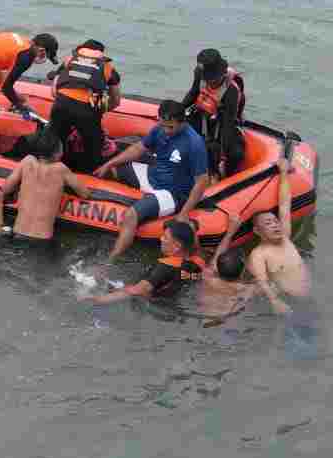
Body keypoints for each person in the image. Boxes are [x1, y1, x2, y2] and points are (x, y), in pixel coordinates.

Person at [95, 100, 213, 262]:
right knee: (109, 170)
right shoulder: (159, 129)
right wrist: (110, 163)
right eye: (163, 125)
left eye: (170, 127)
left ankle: (110, 261)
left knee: (131, 215)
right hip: (152, 175)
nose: (166, 130)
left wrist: (184, 213)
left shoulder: (194, 143)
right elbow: (138, 149)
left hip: (172, 192)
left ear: (182, 122)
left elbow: (202, 181)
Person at [0, 132, 91, 247]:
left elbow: (6, 189)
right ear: (58, 152)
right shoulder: (61, 169)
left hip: (18, 235)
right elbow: (85, 194)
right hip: (42, 240)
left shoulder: (27, 161)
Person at [246, 151, 310, 314]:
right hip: (290, 304)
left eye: (275, 221)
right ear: (257, 231)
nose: (275, 225)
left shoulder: (285, 237)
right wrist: (275, 301)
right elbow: (261, 281)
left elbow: (284, 204)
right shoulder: (259, 254)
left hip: (309, 300)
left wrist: (283, 173)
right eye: (268, 223)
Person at [81, 220, 204, 304]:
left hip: (153, 301)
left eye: (165, 238)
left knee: (99, 280)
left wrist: (97, 299)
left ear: (177, 246)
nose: (161, 239)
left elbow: (138, 290)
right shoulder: (199, 262)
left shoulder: (165, 266)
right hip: (174, 296)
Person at [48, 39, 122, 175]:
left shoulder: (69, 60)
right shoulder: (107, 67)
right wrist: (99, 111)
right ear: (100, 54)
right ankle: (89, 176)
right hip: (87, 109)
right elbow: (116, 101)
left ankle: (52, 169)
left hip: (61, 104)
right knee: (94, 146)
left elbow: (54, 91)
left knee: (55, 140)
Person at [181, 49, 247, 179]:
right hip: (202, 114)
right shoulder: (199, 72)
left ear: (222, 73)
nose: (210, 82)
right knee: (180, 133)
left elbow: (228, 124)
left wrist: (223, 154)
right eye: (208, 79)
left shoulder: (231, 91)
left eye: (213, 79)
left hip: (223, 121)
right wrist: (178, 110)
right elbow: (193, 93)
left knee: (235, 153)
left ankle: (225, 177)